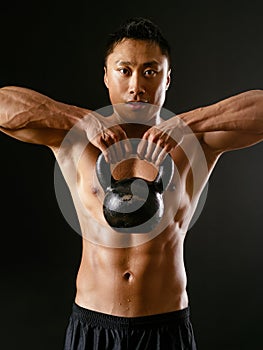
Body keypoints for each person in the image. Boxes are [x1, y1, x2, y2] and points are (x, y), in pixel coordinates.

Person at [0, 17, 262, 350]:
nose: (136, 84)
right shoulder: (76, 140)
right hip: (93, 324)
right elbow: (3, 105)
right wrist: (80, 118)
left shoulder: (196, 143)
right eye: (124, 71)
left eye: (150, 71)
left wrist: (185, 123)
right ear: (107, 76)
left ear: (167, 78)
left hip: (165, 327)